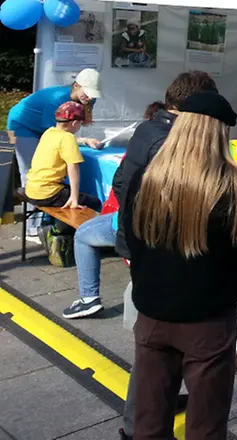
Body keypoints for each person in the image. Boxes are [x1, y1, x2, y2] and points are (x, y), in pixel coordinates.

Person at [124, 91, 237, 439]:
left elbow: (131, 237)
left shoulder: (147, 177)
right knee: (206, 424)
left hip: (153, 314)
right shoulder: (236, 188)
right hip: (209, 321)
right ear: (219, 134)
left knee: (148, 420)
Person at [111, 71, 218, 438]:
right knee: (156, 349)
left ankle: (150, 410)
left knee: (153, 346)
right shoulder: (170, 142)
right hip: (162, 257)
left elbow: (121, 183)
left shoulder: (147, 128)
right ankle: (138, 420)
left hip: (141, 249)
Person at [63, 72, 217, 322]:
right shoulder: (188, 142)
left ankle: (89, 298)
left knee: (85, 235)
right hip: (163, 239)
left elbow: (120, 182)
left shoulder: (145, 131)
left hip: (135, 230)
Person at [8, 68, 102, 237]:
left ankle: (48, 220)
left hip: (48, 129)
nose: (89, 98)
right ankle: (33, 228)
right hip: (22, 124)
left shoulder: (88, 100)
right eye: (87, 93)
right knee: (30, 170)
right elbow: (57, 134)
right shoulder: (57, 100)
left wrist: (84, 140)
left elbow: (64, 133)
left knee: (52, 171)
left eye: (93, 95)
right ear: (76, 86)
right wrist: (80, 141)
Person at [24, 102, 102, 228]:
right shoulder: (68, 138)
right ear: (75, 123)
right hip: (48, 193)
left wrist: (85, 140)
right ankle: (64, 234)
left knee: (68, 191)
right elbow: (73, 168)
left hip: (32, 189)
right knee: (94, 202)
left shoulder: (49, 132)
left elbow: (63, 140)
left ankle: (54, 228)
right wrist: (74, 198)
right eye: (80, 124)